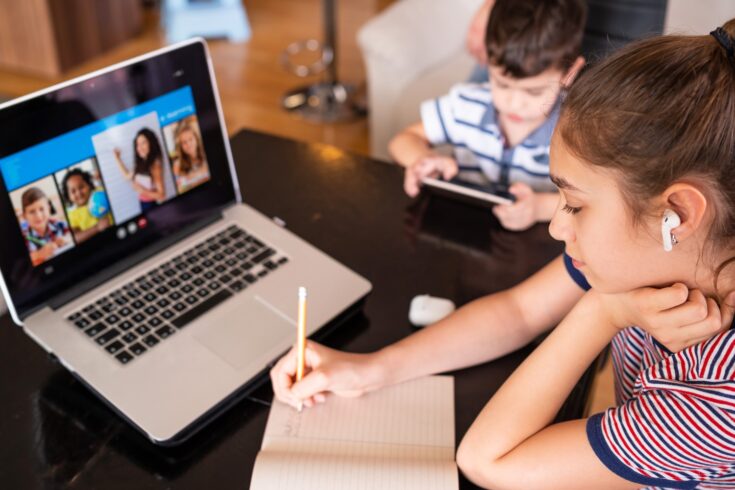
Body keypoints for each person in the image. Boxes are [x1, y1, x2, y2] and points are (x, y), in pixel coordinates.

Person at [272, 21, 735, 488]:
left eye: (574, 204)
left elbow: (488, 459)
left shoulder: (718, 404)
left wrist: (603, 312)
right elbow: (520, 310)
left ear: (676, 212)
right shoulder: (656, 253)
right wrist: (372, 369)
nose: (557, 225)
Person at [389, 0, 586, 231]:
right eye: (502, 84)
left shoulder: (577, 131)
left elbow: (591, 202)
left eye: (533, 92)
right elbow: (402, 140)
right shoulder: (467, 105)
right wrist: (422, 159)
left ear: (569, 72)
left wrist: (539, 208)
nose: (513, 104)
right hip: (463, 232)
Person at [113, 128, 166, 212]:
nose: (139, 148)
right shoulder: (140, 163)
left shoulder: (155, 166)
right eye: (137, 144)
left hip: (152, 205)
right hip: (143, 203)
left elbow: (161, 195)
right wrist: (117, 158)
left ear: (151, 143)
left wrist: (142, 190)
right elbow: (127, 176)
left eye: (143, 143)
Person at [19, 187, 71, 265]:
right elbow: (21, 261)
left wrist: (66, 238)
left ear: (48, 209)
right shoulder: (25, 236)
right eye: (32, 212)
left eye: (42, 209)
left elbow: (73, 234)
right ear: (24, 216)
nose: (38, 216)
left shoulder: (60, 224)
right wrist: (39, 254)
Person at [61, 168, 112, 243]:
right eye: (73, 191)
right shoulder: (72, 214)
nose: (78, 193)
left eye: (81, 187)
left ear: (89, 185)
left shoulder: (99, 192)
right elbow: (75, 238)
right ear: (68, 196)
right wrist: (97, 228)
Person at [171, 122, 210, 193]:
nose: (188, 144)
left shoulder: (207, 154)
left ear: (196, 139)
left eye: (190, 139)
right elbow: (179, 190)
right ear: (181, 146)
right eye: (184, 142)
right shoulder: (177, 165)